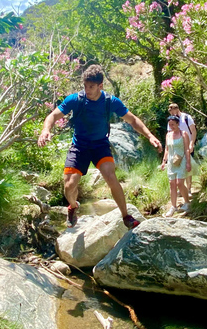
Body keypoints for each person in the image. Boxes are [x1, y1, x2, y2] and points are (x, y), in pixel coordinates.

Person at [38, 65, 162, 228]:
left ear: (100, 86)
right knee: (69, 186)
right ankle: (73, 206)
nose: (87, 90)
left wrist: (150, 136)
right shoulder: (76, 99)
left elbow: (132, 120)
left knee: (111, 176)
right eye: (85, 86)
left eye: (91, 86)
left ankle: (126, 216)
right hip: (79, 146)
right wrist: (45, 130)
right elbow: (53, 115)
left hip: (100, 145)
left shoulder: (110, 102)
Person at [159, 115, 191, 217]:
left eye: (173, 124)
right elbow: (167, 149)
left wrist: (188, 162)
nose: (171, 126)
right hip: (171, 162)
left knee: (180, 183)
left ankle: (187, 202)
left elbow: (187, 149)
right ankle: (173, 206)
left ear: (178, 124)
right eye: (170, 125)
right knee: (172, 184)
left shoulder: (183, 134)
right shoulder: (168, 135)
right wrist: (164, 162)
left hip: (181, 161)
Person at [167, 103, 197, 193]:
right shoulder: (171, 121)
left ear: (176, 109)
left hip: (188, 145)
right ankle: (182, 187)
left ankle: (188, 188)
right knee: (178, 166)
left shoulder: (187, 118)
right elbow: (169, 135)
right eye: (170, 112)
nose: (171, 114)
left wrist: (191, 143)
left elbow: (193, 131)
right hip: (176, 148)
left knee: (188, 166)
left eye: (172, 111)